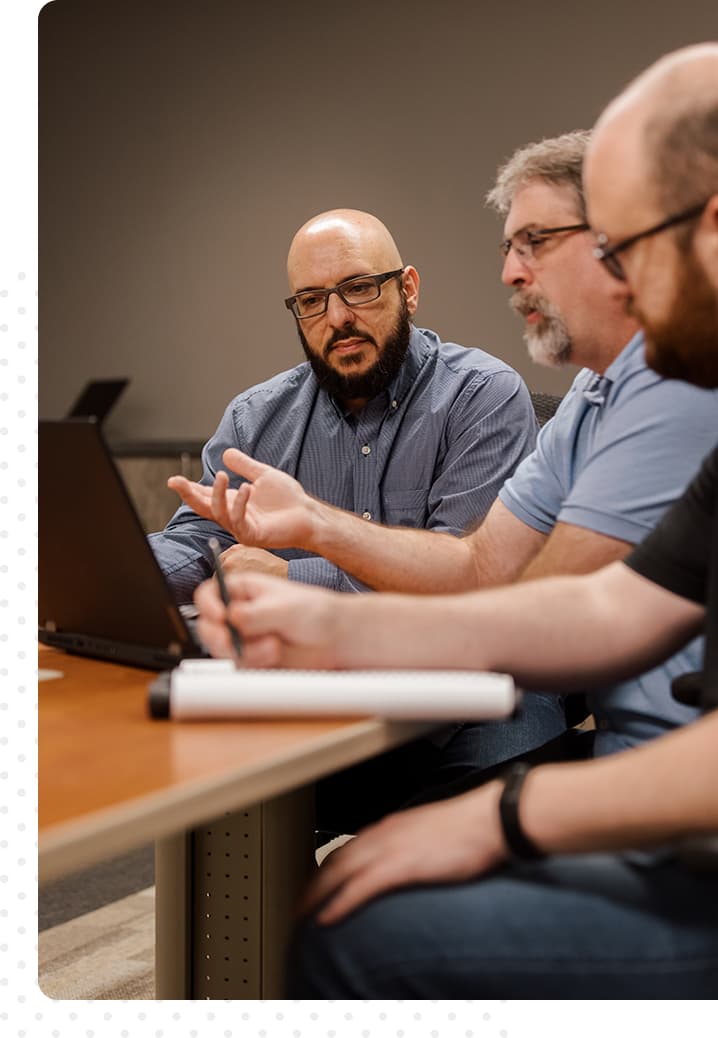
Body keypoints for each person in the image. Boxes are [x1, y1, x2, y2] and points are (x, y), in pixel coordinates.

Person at [194, 43, 718, 997]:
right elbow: (584, 607)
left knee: (360, 933)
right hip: (656, 797)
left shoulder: (671, 386)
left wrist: (509, 815)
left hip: (682, 836)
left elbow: (558, 610)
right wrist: (328, 585)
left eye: (627, 240)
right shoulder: (630, 387)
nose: (514, 274)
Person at [173, 133, 718, 771]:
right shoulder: (590, 396)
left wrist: (311, 594)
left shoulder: (679, 389)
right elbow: (483, 570)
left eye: (536, 242)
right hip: (632, 760)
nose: (511, 271)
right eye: (510, 247)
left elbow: (545, 610)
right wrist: (315, 527)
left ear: (627, 243)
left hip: (665, 785)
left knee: (384, 859)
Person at [151, 207, 551, 825]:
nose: (338, 317)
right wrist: (113, 568)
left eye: (360, 288)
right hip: (321, 687)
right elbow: (202, 538)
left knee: (445, 837)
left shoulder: (482, 397)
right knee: (221, 799)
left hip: (474, 687)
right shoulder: (256, 417)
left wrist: (290, 581)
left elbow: (465, 576)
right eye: (312, 300)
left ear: (408, 289)